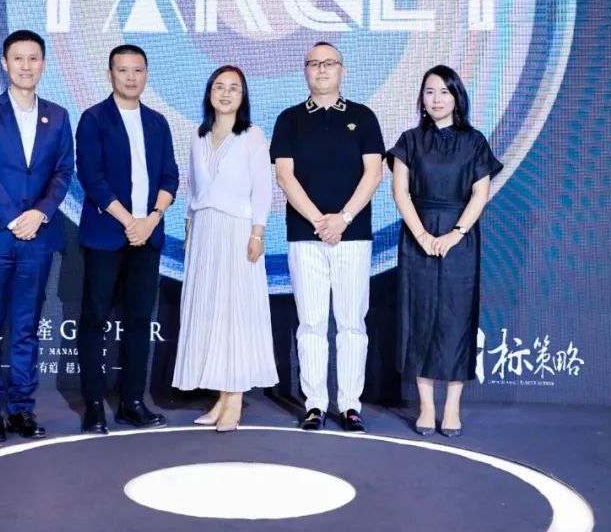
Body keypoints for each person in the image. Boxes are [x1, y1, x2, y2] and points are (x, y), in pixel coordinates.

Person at [0, 29, 74, 442]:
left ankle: (22, 409)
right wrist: (14, 218)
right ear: (5, 63)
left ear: (44, 64)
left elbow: (63, 171)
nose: (26, 66)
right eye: (18, 58)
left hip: (37, 238)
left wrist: (40, 214)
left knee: (26, 328)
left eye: (34, 58)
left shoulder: (57, 116)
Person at [270, 42, 384, 433]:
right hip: (306, 234)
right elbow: (284, 176)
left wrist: (344, 219)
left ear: (342, 70)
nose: (321, 70)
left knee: (352, 322)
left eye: (329, 63)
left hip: (353, 235)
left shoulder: (363, 117)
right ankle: (315, 404)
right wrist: (320, 221)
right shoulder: (289, 119)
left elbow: (374, 173)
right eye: (314, 64)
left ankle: (350, 405)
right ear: (304, 70)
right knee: (312, 323)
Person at [389, 65, 502, 438]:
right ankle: (426, 406)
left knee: (456, 320)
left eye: (444, 92)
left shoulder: (474, 142)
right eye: (429, 91)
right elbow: (400, 193)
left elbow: (480, 193)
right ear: (421, 98)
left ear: (457, 97)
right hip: (417, 236)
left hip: (460, 238)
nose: (436, 99)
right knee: (419, 317)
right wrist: (421, 234)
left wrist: (456, 233)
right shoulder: (409, 140)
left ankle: (452, 406)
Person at [75, 44, 179, 434]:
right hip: (107, 235)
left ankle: (132, 402)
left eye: (138, 70)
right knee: (95, 319)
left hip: (147, 238)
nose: (131, 77)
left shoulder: (157, 122)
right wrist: (128, 221)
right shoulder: (93, 119)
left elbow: (169, 176)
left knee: (139, 320)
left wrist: (151, 220)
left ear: (146, 74)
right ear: (110, 75)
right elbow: (92, 177)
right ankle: (94, 405)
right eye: (123, 70)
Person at [172, 66, 277, 432]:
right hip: (204, 233)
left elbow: (262, 189)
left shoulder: (252, 135)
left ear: (243, 96)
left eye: (234, 88)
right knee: (211, 313)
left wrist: (258, 233)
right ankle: (221, 397)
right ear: (209, 93)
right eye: (220, 87)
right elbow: (192, 190)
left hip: (238, 231)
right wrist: (189, 229)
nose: (226, 93)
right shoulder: (197, 135)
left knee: (235, 312)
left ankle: (235, 400)